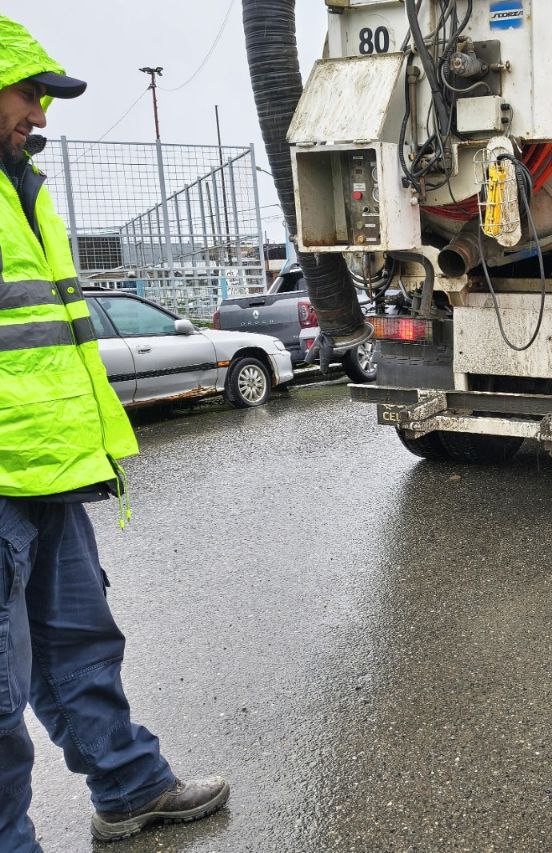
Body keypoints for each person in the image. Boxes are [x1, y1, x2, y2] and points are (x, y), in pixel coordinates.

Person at [0, 17, 229, 850]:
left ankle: (130, 786)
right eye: (29, 94)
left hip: (48, 465)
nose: (43, 115)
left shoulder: (23, 188)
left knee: (80, 644)